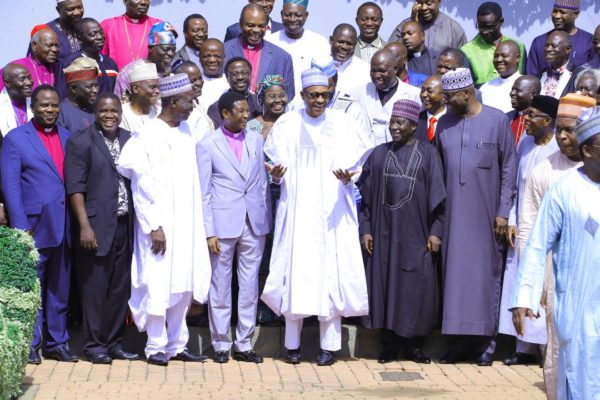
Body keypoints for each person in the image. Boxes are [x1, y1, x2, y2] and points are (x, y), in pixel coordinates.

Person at [261, 68, 372, 366]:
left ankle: (329, 346)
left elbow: (357, 165)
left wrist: (349, 176)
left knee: (329, 277)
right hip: (297, 212)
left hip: (332, 212)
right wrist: (276, 175)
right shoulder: (286, 124)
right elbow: (273, 164)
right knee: (296, 275)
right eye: (314, 95)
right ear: (302, 96)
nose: (319, 100)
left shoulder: (343, 123)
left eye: (325, 95)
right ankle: (292, 345)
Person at [117, 73, 211, 366]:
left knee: (182, 285)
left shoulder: (186, 132)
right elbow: (140, 185)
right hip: (158, 226)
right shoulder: (147, 134)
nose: (192, 106)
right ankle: (155, 346)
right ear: (172, 101)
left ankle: (177, 344)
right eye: (188, 101)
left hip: (187, 223)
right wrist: (153, 225)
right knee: (158, 283)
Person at [511, 105, 600, 400]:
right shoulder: (564, 190)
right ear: (588, 150)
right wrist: (524, 296)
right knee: (579, 376)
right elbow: (537, 245)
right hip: (578, 308)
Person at [435, 68, 516, 366]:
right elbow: (438, 171)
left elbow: (509, 169)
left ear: (467, 93)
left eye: (450, 97)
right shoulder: (444, 124)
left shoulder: (497, 121)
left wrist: (503, 213)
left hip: (486, 217)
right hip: (453, 218)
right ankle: (456, 344)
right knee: (454, 278)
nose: (445, 102)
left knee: (484, 278)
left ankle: (486, 343)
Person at [359, 99, 445, 365]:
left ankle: (414, 346)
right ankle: (388, 345)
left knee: (414, 288)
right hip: (383, 235)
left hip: (416, 235)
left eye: (400, 123)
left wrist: (435, 232)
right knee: (385, 287)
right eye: (392, 122)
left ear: (412, 126)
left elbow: (440, 199)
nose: (394, 128)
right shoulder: (378, 154)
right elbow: (363, 197)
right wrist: (366, 229)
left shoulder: (428, 154)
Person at [1, 85, 76, 364]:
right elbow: (11, 187)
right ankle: (32, 344)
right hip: (33, 226)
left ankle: (58, 342)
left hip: (64, 226)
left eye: (54, 105)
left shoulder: (69, 138)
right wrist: (20, 227)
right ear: (33, 107)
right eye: (44, 105)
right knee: (32, 288)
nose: (50, 110)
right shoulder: (16, 139)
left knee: (60, 288)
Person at [63, 92, 139, 364]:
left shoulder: (130, 139)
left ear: (120, 112)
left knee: (120, 288)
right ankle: (94, 345)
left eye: (114, 111)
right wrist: (84, 225)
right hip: (95, 227)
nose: (109, 115)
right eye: (104, 111)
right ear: (95, 113)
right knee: (95, 289)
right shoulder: (81, 142)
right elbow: (75, 188)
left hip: (124, 225)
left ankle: (114, 342)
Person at [197, 91, 270, 364]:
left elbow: (261, 180)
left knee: (250, 286)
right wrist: (209, 231)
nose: (246, 115)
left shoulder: (256, 139)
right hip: (222, 225)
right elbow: (204, 192)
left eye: (246, 111)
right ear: (225, 114)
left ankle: (244, 343)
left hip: (254, 222)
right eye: (239, 111)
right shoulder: (207, 144)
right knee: (220, 285)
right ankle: (220, 343)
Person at [497, 95, 559, 367]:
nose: (527, 120)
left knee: (545, 286)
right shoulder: (523, 144)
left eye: (532, 115)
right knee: (521, 282)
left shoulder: (559, 150)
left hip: (548, 229)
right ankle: (523, 347)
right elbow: (517, 188)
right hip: (522, 225)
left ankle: (546, 347)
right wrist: (511, 218)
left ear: (548, 121)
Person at [224, 4, 295, 98]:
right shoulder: (223, 51)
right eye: (250, 25)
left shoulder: (282, 57)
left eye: (261, 26)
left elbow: (288, 95)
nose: (256, 30)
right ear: (241, 24)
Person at [359, 48, 421, 145]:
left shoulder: (414, 94)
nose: (376, 75)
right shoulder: (359, 91)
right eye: (373, 71)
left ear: (395, 69)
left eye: (382, 71)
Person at [268, 0, 329, 98]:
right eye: (287, 15)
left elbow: (328, 78)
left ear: (306, 15)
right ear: (281, 14)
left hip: (310, 106)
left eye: (298, 15)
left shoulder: (319, 42)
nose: (292, 19)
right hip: (277, 105)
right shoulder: (270, 42)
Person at [461, 2, 526, 86]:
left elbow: (524, 79)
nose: (485, 32)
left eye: (490, 27)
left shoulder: (518, 47)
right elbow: (468, 88)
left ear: (501, 21)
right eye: (481, 27)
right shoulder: (467, 51)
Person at [526, 0, 593, 78]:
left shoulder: (589, 42)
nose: (557, 16)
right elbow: (531, 78)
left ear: (576, 14)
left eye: (562, 12)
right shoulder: (539, 42)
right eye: (555, 11)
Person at [56, 18, 119, 99]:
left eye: (101, 32)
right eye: (93, 34)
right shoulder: (70, 63)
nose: (100, 37)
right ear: (80, 39)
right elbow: (62, 95)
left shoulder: (110, 63)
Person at [114, 21, 177, 101]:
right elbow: (119, 106)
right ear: (151, 48)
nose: (171, 54)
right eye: (166, 49)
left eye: (173, 50)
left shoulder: (174, 72)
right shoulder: (130, 74)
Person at [100, 0, 161, 70]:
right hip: (115, 79)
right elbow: (101, 59)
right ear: (125, 1)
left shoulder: (158, 26)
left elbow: (164, 57)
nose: (144, 2)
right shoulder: (108, 25)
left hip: (150, 79)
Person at [388, 0, 466, 53]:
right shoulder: (404, 26)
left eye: (429, 3)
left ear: (439, 1)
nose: (424, 8)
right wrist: (413, 24)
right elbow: (390, 53)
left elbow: (463, 61)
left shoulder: (454, 29)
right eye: (420, 3)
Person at [207, 58, 262, 128]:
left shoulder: (260, 103)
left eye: (244, 73)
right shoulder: (217, 108)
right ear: (227, 78)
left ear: (250, 75)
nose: (240, 77)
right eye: (234, 74)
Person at [0, 28, 59, 92]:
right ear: (34, 45)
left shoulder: (60, 68)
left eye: (57, 46)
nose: (55, 49)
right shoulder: (15, 67)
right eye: (49, 45)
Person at [173, 60, 214, 140]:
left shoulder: (198, 102)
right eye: (192, 81)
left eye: (200, 78)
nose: (199, 83)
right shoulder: (182, 111)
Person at [57, 57, 98, 134]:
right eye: (90, 86)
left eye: (96, 85)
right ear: (73, 88)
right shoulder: (60, 113)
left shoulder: (96, 110)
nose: (95, 90)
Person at [330, 23, 371, 101]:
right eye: (341, 42)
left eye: (349, 44)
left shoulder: (365, 70)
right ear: (331, 40)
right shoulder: (318, 62)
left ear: (355, 45)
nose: (344, 47)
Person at [480, 41, 522, 113]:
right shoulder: (485, 88)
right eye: (496, 56)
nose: (499, 60)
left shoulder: (528, 86)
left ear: (517, 58)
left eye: (504, 56)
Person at [119, 62, 159, 133]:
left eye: (157, 87)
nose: (157, 91)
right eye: (152, 87)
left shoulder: (157, 111)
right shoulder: (122, 114)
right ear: (136, 89)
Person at [0, 64, 33, 137]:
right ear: (8, 83)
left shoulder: (36, 102)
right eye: (22, 79)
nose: (29, 82)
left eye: (29, 77)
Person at [507, 75, 541, 144]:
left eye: (517, 90)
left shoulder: (542, 121)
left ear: (533, 94)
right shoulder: (506, 118)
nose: (512, 93)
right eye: (512, 89)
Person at [540, 31, 573, 99]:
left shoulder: (576, 74)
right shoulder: (541, 74)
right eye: (547, 45)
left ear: (568, 49)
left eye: (554, 46)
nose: (548, 49)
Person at [198, 39, 229, 110]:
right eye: (207, 56)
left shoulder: (232, 84)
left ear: (224, 58)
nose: (212, 60)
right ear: (199, 58)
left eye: (217, 56)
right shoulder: (193, 85)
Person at [415, 74, 445, 142]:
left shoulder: (453, 121)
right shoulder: (415, 120)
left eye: (429, 91)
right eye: (422, 90)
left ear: (444, 95)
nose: (424, 95)